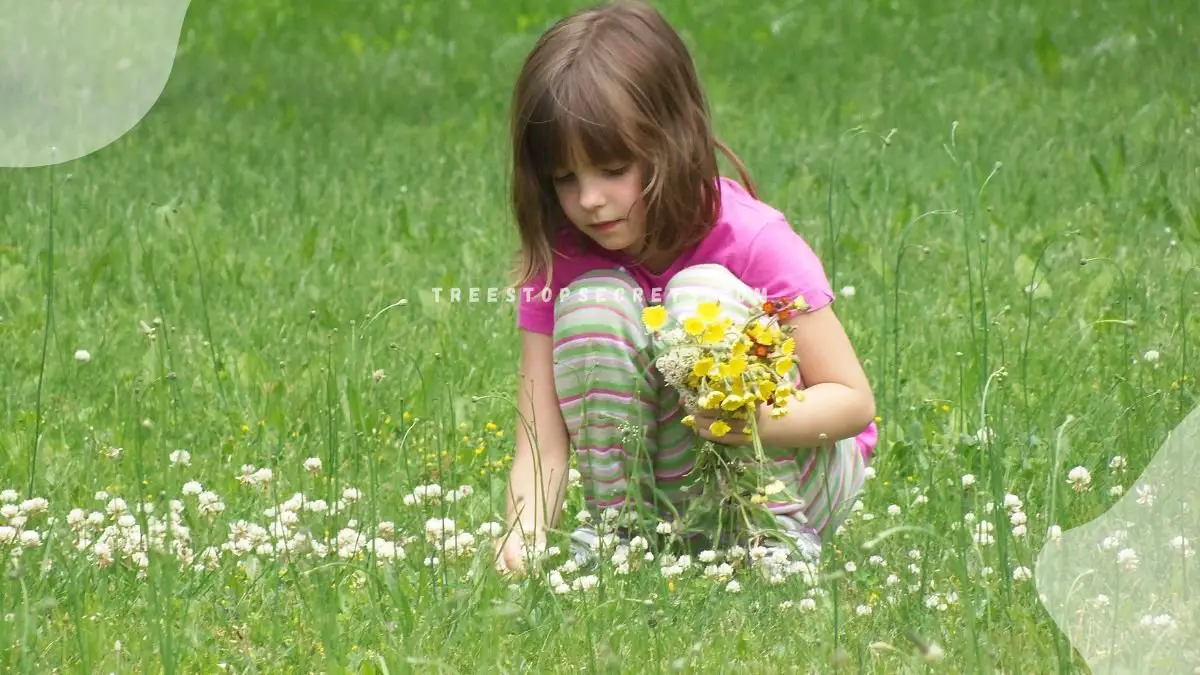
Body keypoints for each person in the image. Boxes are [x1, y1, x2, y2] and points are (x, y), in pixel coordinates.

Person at [494, 0, 878, 574]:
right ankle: (621, 533)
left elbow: (852, 402)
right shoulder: (563, 258)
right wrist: (518, 547)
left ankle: (772, 538)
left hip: (799, 468)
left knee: (700, 294)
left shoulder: (751, 239)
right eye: (565, 178)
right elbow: (542, 441)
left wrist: (751, 420)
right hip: (675, 491)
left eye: (613, 169)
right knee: (594, 304)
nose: (590, 200)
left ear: (671, 139)